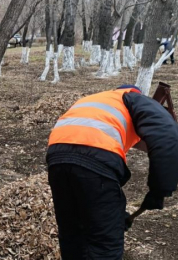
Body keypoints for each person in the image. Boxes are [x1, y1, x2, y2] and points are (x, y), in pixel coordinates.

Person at [46, 85, 178, 260]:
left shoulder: (96, 100)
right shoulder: (134, 98)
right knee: (105, 244)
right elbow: (168, 137)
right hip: (95, 155)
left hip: (56, 157)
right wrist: (160, 190)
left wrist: (114, 215)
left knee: (72, 234)